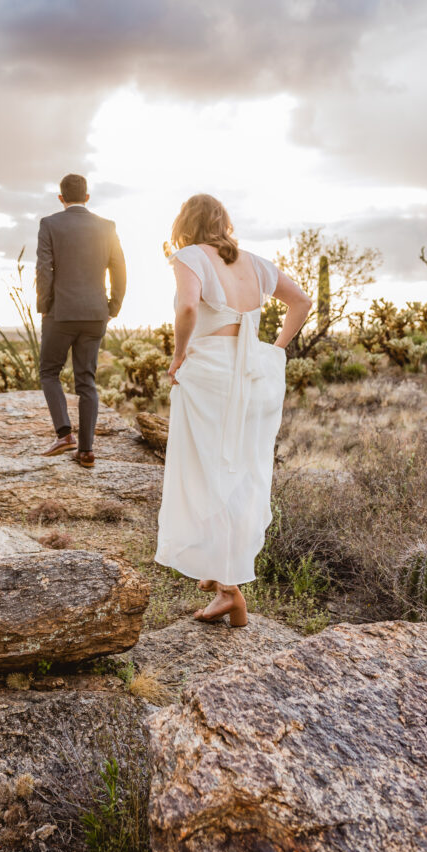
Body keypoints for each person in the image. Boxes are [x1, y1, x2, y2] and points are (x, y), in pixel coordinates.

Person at [155, 194, 311, 626]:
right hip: (256, 376)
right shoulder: (255, 262)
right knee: (241, 472)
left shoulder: (188, 256)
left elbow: (188, 306)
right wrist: (275, 350)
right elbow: (302, 301)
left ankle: (229, 590)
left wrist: (178, 355)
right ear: (223, 223)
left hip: (213, 377)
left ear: (185, 224)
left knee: (205, 470)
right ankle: (220, 573)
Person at [35, 173, 127, 468]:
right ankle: (86, 451)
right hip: (95, 314)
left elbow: (44, 270)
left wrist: (45, 307)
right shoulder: (107, 227)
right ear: (87, 197)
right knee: (86, 380)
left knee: (49, 372)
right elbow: (119, 270)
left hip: (60, 313)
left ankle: (64, 434)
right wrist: (113, 306)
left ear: (60, 198)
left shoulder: (49, 224)